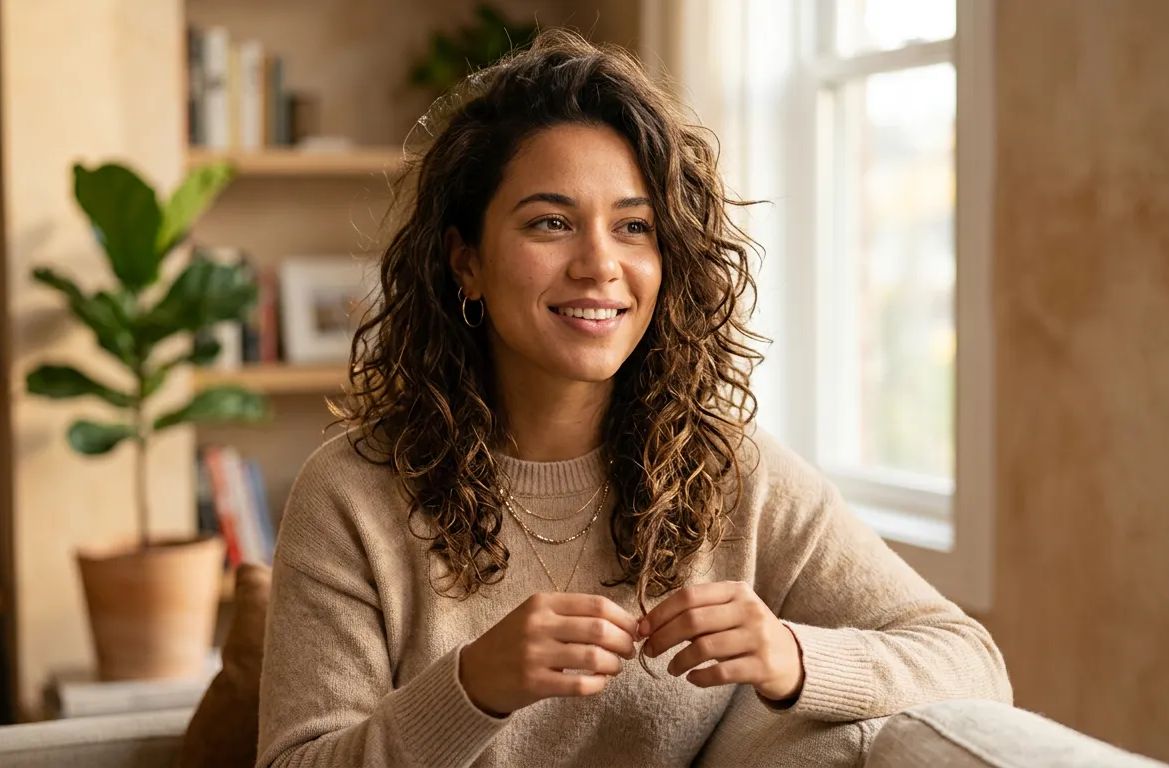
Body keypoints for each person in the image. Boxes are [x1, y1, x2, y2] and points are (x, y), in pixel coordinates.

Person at [256, 29, 1012, 768]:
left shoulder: (731, 475)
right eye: (550, 223)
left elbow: (970, 662)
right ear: (467, 264)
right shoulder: (351, 496)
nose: (600, 265)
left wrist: (793, 655)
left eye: (633, 227)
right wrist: (472, 688)